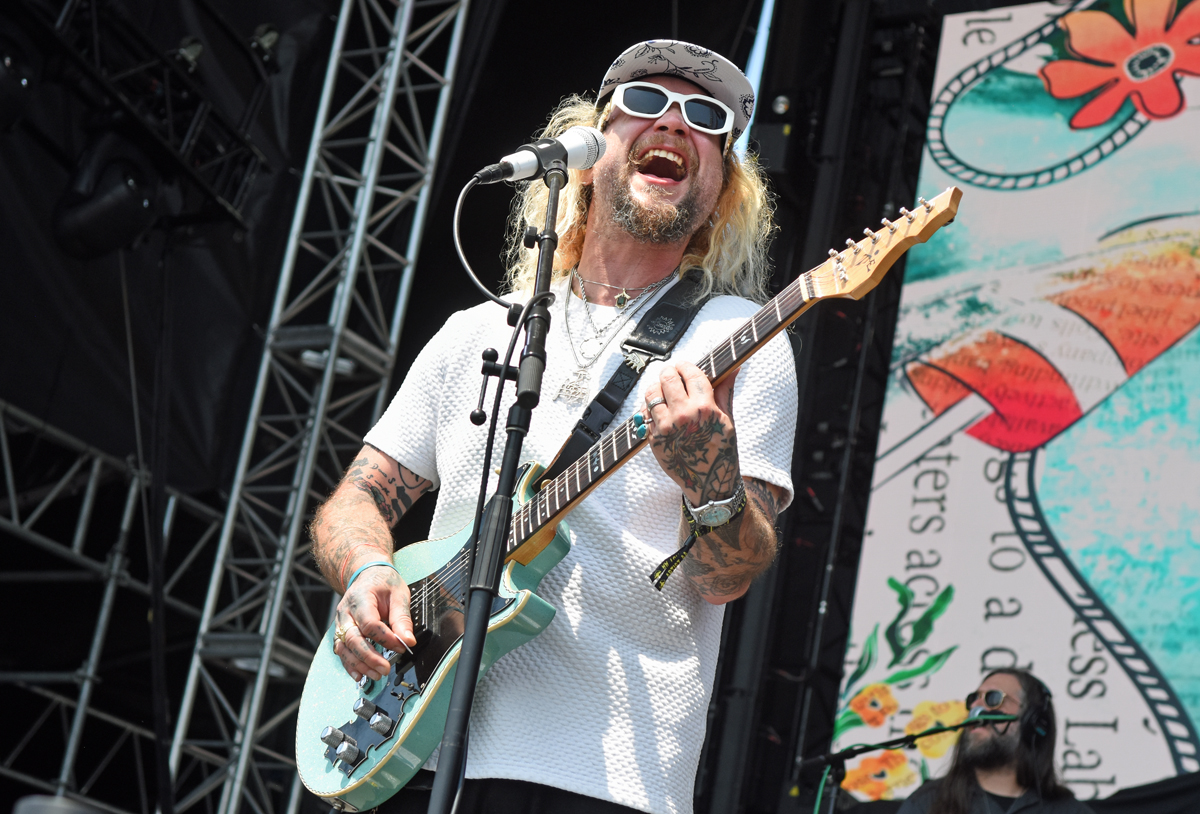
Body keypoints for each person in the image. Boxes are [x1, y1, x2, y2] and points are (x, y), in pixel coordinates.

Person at [307, 40, 797, 814]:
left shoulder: (740, 338)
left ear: (723, 189)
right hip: (405, 750)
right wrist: (369, 572)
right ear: (588, 150)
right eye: (646, 103)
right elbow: (354, 501)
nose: (674, 124)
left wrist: (709, 480)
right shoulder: (477, 330)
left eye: (706, 118)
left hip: (602, 776)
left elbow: (724, 579)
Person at [896, 669, 1091, 814]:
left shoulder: (1069, 811)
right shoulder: (927, 803)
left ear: (1032, 722)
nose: (976, 708)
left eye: (993, 698)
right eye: (974, 699)